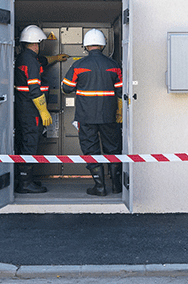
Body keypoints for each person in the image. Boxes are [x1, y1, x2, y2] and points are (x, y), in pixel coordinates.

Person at [61, 29, 123, 196]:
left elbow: (66, 88)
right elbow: (120, 92)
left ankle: (100, 187)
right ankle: (117, 186)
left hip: (86, 116)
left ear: (86, 46)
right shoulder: (113, 65)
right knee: (113, 148)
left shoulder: (79, 65)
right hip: (109, 116)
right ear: (103, 45)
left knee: (90, 148)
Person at [13, 25, 68, 194]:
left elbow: (43, 60)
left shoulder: (26, 58)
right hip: (31, 109)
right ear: (36, 44)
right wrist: (44, 111)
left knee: (26, 141)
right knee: (30, 142)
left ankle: (25, 178)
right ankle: (25, 182)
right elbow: (34, 88)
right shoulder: (30, 61)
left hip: (24, 107)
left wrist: (56, 58)